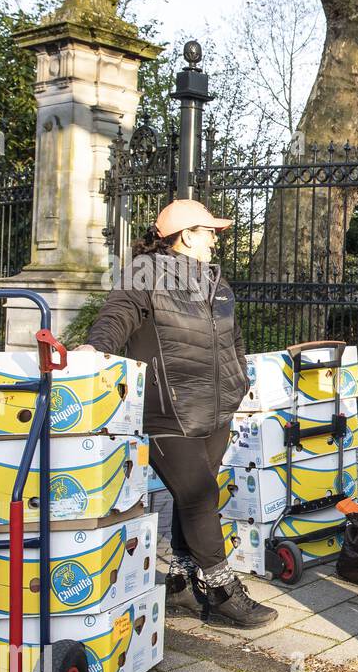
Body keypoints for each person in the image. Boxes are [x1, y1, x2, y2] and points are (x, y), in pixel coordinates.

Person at [79, 198, 276, 629]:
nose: (215, 242)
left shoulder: (216, 282)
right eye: (209, 233)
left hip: (217, 406)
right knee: (201, 496)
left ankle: (181, 585)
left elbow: (232, 338)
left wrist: (238, 379)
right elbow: (118, 315)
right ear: (186, 236)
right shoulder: (144, 273)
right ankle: (223, 593)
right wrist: (95, 350)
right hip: (169, 409)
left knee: (196, 497)